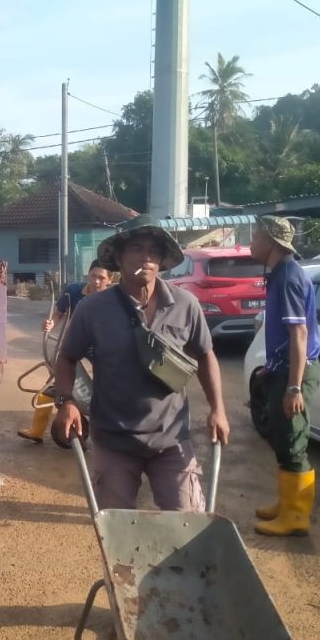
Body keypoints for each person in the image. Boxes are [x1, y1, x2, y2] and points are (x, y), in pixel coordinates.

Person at [52, 216, 230, 511]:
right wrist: (66, 401)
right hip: (114, 440)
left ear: (161, 260)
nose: (146, 257)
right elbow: (67, 358)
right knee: (119, 530)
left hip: (171, 438)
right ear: (119, 258)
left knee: (187, 525)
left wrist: (218, 410)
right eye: (136, 248)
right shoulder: (93, 308)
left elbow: (205, 355)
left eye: (153, 251)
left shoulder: (185, 304)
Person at [249, 216, 320, 537]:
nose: (252, 241)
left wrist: (294, 385)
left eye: (256, 235)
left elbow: (299, 333)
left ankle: (295, 516)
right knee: (281, 436)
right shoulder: (279, 273)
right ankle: (286, 503)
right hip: (284, 368)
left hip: (298, 372)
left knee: (293, 440)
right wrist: (274, 366)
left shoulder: (288, 277)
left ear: (272, 242)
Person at [17, 260, 112, 443]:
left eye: (102, 278)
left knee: (106, 383)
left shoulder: (112, 299)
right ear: (88, 275)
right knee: (55, 379)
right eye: (93, 276)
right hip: (75, 342)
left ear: (110, 280)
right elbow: (59, 312)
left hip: (100, 346)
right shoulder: (74, 291)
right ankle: (36, 430)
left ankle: (107, 428)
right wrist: (51, 322)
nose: (97, 282)